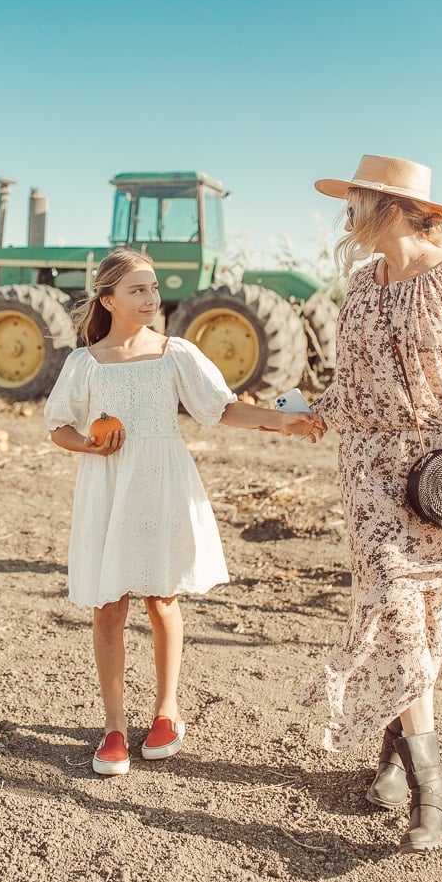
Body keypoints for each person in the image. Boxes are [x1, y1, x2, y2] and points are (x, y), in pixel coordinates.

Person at [303, 154, 442, 853]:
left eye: (356, 204)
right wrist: (316, 410)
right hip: (369, 469)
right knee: (395, 603)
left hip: (441, 472)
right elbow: (354, 378)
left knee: (426, 614)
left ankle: (394, 757)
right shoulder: (362, 284)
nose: (347, 218)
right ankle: (435, 793)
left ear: (395, 209)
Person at [43, 247, 324, 777]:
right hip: (109, 483)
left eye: (153, 289)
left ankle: (167, 713)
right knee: (109, 606)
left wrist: (280, 422)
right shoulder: (84, 362)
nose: (152, 298)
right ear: (108, 299)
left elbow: (220, 408)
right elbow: (57, 424)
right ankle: (114, 728)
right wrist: (85, 444)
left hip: (161, 481)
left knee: (162, 598)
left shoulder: (177, 354)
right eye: (138, 290)